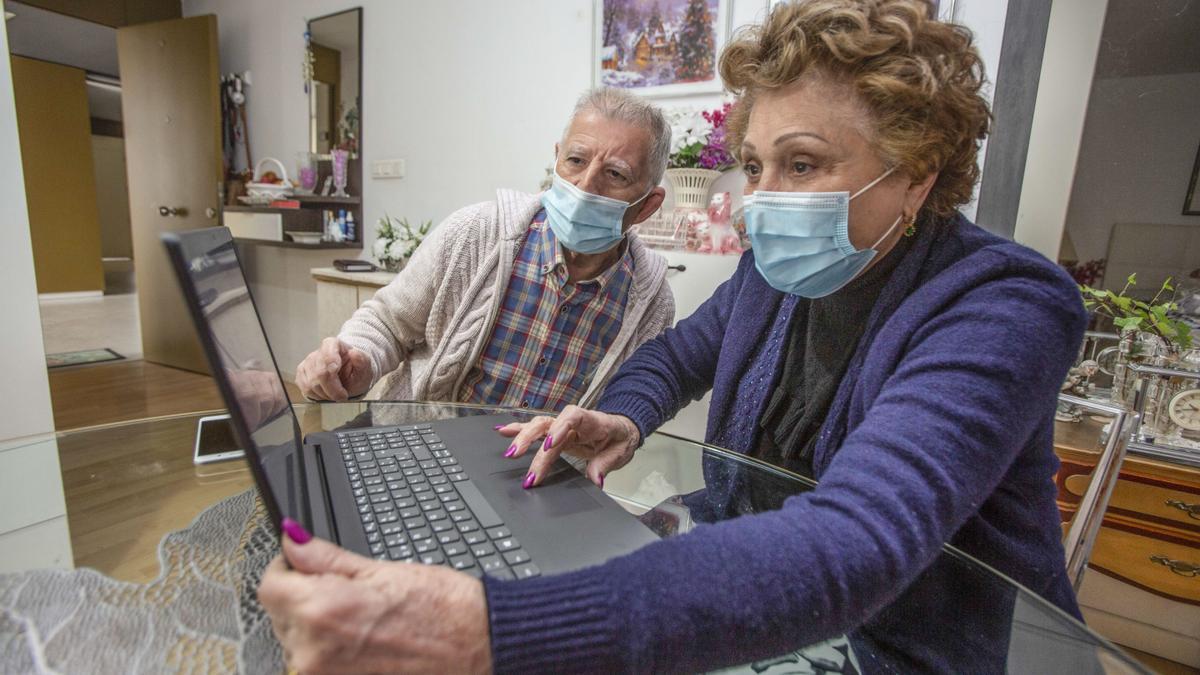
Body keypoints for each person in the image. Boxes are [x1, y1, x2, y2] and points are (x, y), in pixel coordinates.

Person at [259, 1, 1089, 672]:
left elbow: (856, 540)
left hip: (905, 643)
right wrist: (621, 418)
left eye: (800, 165)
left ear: (918, 172)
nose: (765, 200)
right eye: (756, 166)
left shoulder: (1004, 305)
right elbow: (678, 355)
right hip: (754, 581)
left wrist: (491, 627)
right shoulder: (779, 270)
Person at [294, 88, 675, 413]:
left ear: (646, 205)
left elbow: (623, 407)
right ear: (556, 159)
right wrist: (359, 360)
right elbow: (388, 323)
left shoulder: (651, 303)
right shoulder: (476, 233)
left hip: (541, 482)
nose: (586, 185)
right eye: (575, 160)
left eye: (616, 174)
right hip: (422, 450)